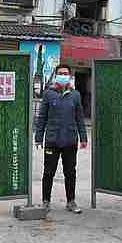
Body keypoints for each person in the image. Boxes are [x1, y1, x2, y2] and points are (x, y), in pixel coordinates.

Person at [34, 65, 88, 213]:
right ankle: (46, 202)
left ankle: (71, 202)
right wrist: (38, 137)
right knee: (48, 172)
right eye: (60, 73)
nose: (63, 76)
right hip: (52, 140)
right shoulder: (48, 94)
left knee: (70, 172)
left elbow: (79, 118)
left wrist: (83, 137)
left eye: (65, 73)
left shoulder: (75, 95)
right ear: (55, 76)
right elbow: (42, 117)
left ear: (70, 76)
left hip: (70, 141)